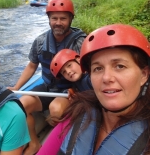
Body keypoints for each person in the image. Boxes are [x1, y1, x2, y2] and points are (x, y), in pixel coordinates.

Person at [37, 23, 150, 155]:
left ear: (144, 75)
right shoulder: (76, 115)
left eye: (120, 66)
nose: (106, 78)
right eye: (98, 68)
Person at [8, 0, 87, 155]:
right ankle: (34, 144)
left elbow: (89, 70)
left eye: (63, 18)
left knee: (56, 110)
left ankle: (61, 128)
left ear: (71, 19)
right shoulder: (40, 41)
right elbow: (32, 65)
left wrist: (80, 95)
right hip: (47, 87)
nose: (58, 22)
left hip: (69, 91)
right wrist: (16, 87)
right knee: (20, 107)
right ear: (49, 19)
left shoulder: (80, 42)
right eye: (54, 18)